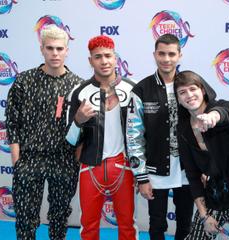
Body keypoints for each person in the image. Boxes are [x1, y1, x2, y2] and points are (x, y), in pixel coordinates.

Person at [5, 24, 83, 240]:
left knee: (59, 218)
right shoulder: (24, 81)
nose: (55, 53)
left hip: (64, 159)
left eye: (59, 48)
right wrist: (17, 161)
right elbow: (12, 122)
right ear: (42, 49)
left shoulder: (78, 86)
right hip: (29, 158)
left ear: (67, 50)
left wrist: (75, 160)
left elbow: (83, 127)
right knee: (25, 218)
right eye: (50, 48)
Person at [174, 70, 229, 240]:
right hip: (214, 196)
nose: (189, 95)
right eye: (182, 92)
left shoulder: (222, 107)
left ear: (203, 90)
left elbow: (226, 111)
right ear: (178, 98)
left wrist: (211, 117)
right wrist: (204, 216)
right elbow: (193, 176)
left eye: (193, 89)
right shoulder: (183, 130)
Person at [65, 35, 137, 240]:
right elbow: (70, 140)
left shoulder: (133, 89)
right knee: (88, 225)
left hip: (123, 166)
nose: (104, 61)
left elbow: (142, 135)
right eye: (98, 57)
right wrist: (78, 119)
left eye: (108, 56)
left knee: (127, 225)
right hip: (90, 166)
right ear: (90, 61)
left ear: (115, 58)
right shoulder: (79, 92)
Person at [126, 34, 194, 240]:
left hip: (187, 169)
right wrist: (141, 177)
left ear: (180, 55)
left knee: (185, 223)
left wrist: (205, 167)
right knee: (156, 225)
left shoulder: (192, 85)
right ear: (154, 55)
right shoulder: (141, 90)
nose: (167, 59)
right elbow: (133, 137)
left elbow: (209, 121)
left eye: (172, 54)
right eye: (162, 54)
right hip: (155, 171)